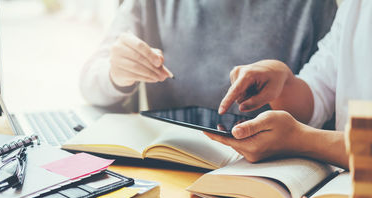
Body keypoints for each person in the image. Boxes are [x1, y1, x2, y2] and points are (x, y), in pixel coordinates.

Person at [80, 0, 337, 113]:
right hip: (172, 165)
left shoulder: (312, 6)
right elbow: (91, 82)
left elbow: (327, 102)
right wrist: (117, 75)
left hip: (267, 175)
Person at [206, 0, 372, 169]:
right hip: (347, 186)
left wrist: (303, 141)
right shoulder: (357, 6)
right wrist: (283, 84)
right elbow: (319, 92)